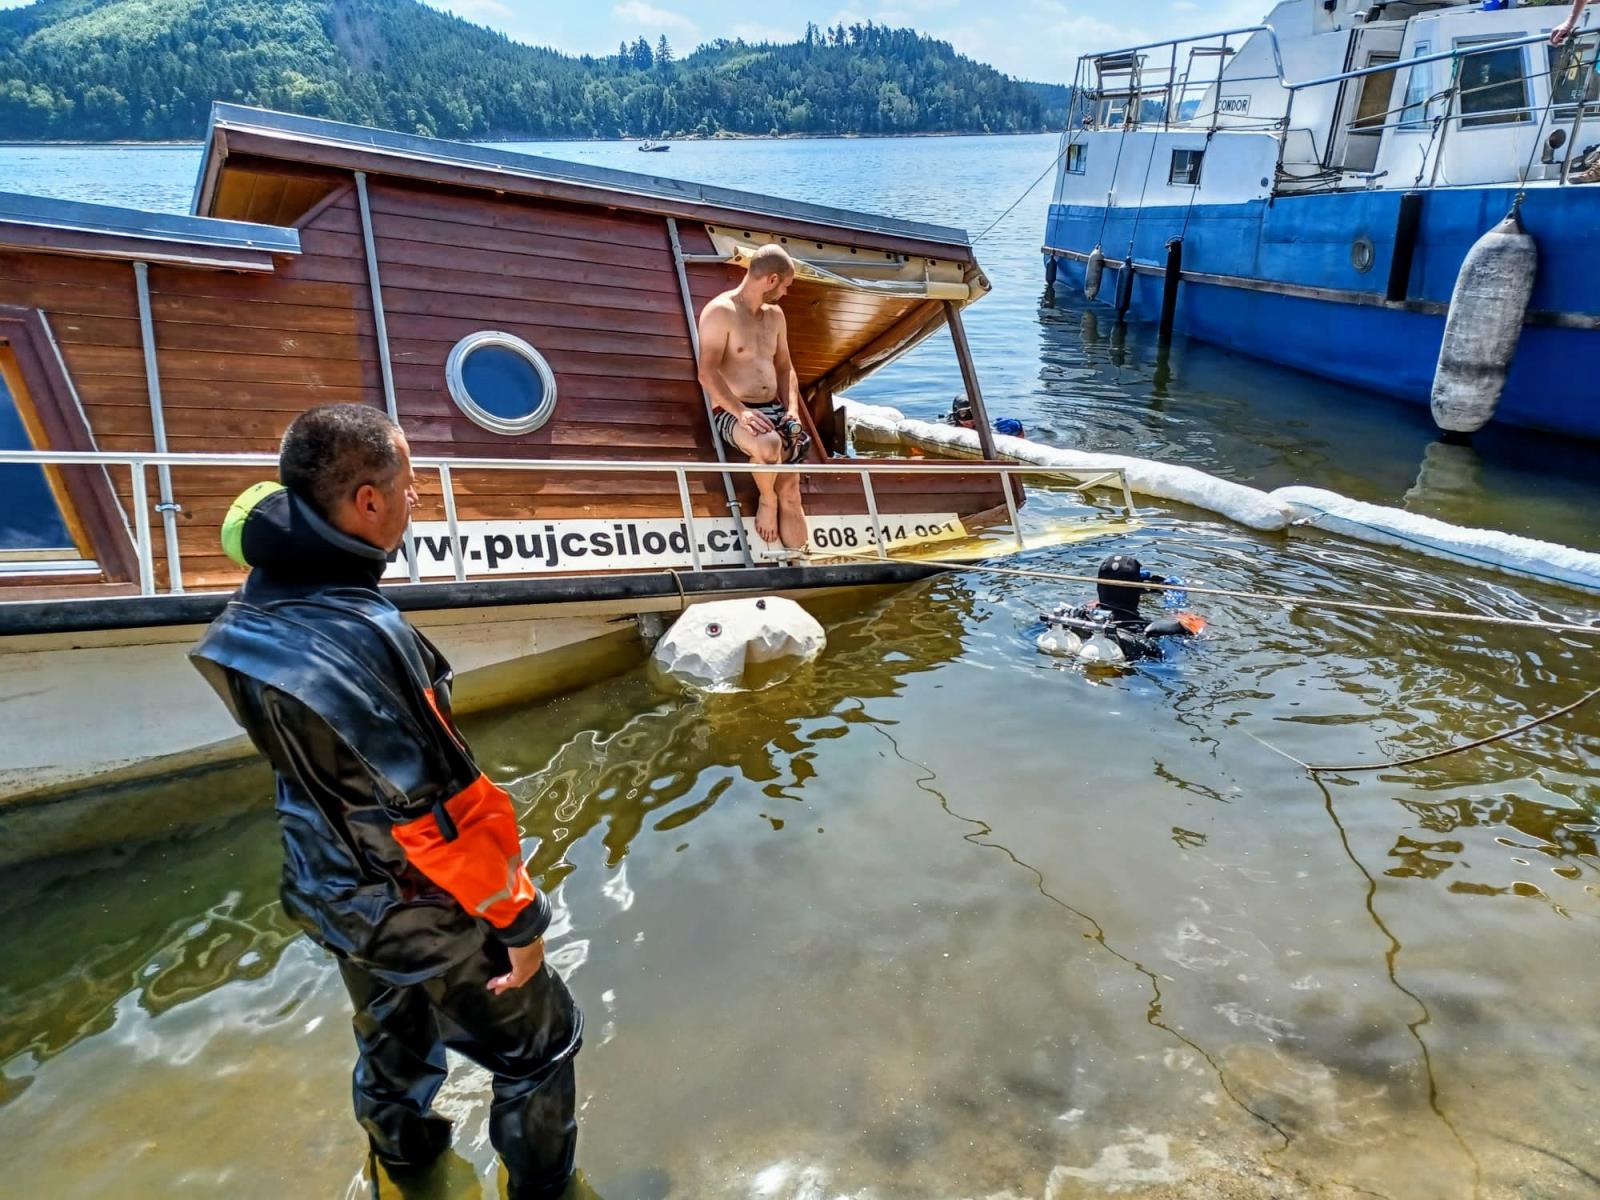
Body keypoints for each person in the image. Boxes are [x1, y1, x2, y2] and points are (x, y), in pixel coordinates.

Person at [189, 404, 582, 1199]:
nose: (416, 505)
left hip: (329, 887)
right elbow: (446, 816)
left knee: (391, 1041)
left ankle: (406, 1170)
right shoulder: (371, 636)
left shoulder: (250, 609)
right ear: (368, 502)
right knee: (541, 1045)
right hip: (419, 903)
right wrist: (523, 926)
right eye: (409, 488)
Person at [697, 243, 811, 553]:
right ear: (772, 279)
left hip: (774, 410)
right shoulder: (720, 311)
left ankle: (799, 561)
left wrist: (792, 411)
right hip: (732, 411)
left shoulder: (776, 316)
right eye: (786, 285)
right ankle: (766, 499)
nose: (786, 293)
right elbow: (706, 373)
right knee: (769, 445)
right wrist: (741, 413)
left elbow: (786, 367)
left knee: (791, 489)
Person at [1037, 553, 1205, 663]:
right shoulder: (1148, 628)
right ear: (1137, 591)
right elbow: (1197, 626)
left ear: (1098, 586)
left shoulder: (1080, 617)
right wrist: (1178, 604)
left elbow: (1107, 597)